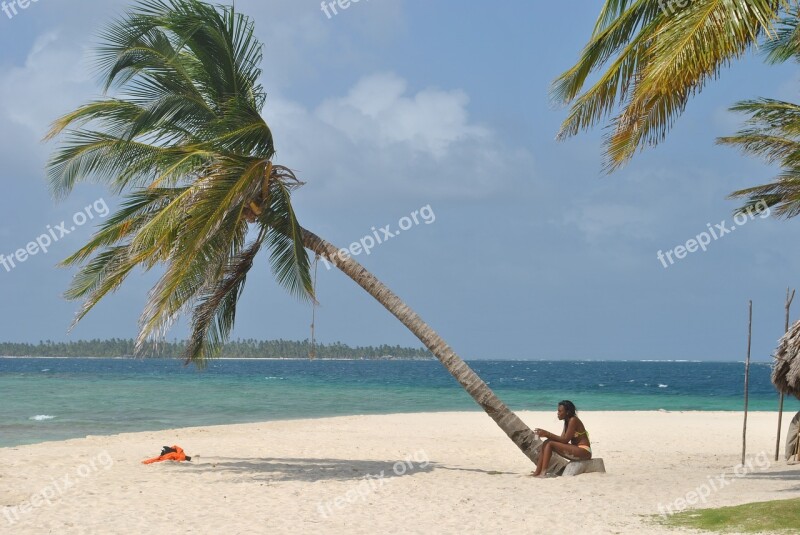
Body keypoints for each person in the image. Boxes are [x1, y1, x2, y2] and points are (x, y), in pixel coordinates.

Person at [531, 400, 591, 477]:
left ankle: (543, 473)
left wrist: (547, 433)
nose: (557, 413)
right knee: (547, 442)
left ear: (567, 412)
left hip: (584, 451)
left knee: (550, 443)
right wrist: (546, 435)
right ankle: (537, 472)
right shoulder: (567, 421)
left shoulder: (573, 420)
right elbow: (562, 439)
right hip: (577, 448)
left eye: (560, 411)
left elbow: (565, 440)